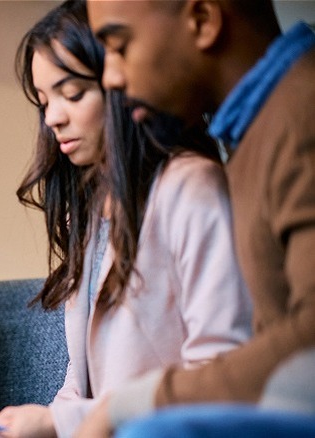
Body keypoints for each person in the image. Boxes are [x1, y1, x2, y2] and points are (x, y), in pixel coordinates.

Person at [0, 1, 252, 437]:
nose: (53, 117)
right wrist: (36, 424)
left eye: (72, 94)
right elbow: (82, 382)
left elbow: (220, 370)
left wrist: (59, 423)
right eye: (43, 102)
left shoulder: (192, 187)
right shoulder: (89, 213)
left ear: (118, 81)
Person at [80, 0, 315, 436]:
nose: (111, 77)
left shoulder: (303, 114)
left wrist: (128, 405)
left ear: (203, 21)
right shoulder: (254, 132)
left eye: (119, 46)